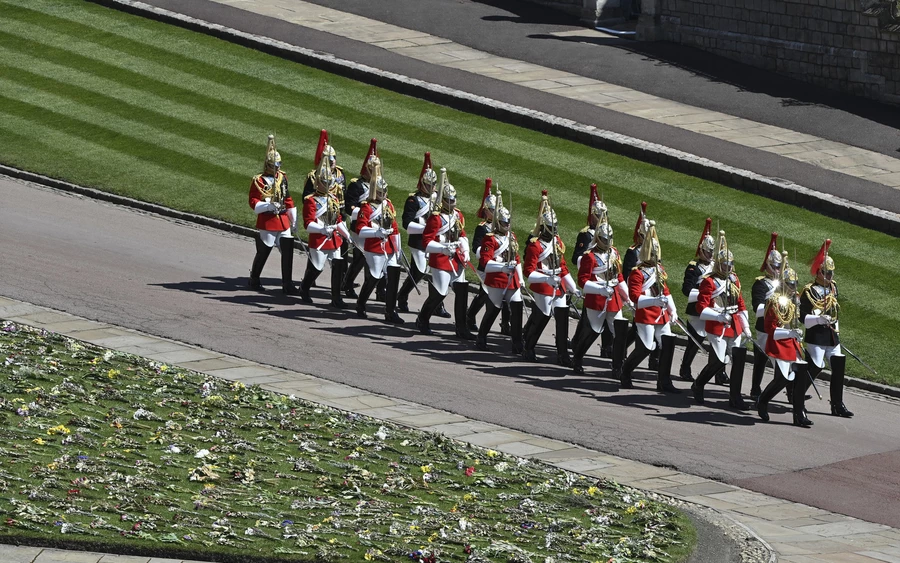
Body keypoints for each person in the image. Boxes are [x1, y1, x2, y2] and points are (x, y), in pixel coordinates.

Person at [691, 230, 752, 409]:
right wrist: (718, 315)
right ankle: (699, 384)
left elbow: (741, 304)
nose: (729, 268)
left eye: (730, 264)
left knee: (738, 361)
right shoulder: (709, 282)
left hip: (734, 325)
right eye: (725, 265)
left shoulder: (734, 279)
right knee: (719, 360)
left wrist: (746, 326)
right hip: (717, 326)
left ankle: (735, 397)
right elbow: (701, 308)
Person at [618, 222, 680, 393]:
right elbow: (636, 298)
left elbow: (666, 292)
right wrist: (654, 302)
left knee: (667, 344)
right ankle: (626, 371)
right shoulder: (637, 272)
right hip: (646, 313)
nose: (655, 256)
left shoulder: (659, 270)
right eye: (652, 253)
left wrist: (673, 310)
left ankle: (664, 381)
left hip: (661, 314)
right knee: (645, 347)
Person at [756, 254, 814, 427]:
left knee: (800, 375)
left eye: (795, 284)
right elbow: (771, 330)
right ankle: (763, 400)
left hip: (792, 343)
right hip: (778, 343)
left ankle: (799, 414)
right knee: (782, 379)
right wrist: (790, 334)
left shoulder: (793, 300)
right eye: (790, 284)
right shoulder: (774, 301)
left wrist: (796, 335)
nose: (794, 288)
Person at [522, 191, 579, 366]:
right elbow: (529, 272)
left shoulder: (558, 243)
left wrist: (572, 286)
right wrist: (546, 279)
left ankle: (563, 354)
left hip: (558, 285)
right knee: (543, 316)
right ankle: (529, 347)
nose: (554, 230)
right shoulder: (535, 246)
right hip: (544, 285)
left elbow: (562, 267)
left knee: (562, 318)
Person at [416, 168, 473, 339]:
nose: (453, 203)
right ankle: (423, 318)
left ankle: (461, 328)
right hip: (440, 259)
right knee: (441, 292)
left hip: (456, 258)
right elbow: (427, 242)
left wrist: (466, 250)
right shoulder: (436, 218)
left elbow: (462, 235)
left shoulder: (458, 216)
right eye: (449, 200)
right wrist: (442, 248)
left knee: (462, 291)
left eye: (454, 199)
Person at [800, 239, 853, 418]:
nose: (830, 276)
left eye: (831, 273)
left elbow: (835, 311)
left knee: (838, 367)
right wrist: (819, 319)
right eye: (826, 272)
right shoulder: (809, 291)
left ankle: (837, 404)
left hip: (831, 335)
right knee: (816, 366)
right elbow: (804, 319)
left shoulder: (833, 288)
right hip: (816, 336)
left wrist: (836, 328)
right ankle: (796, 393)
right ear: (818, 272)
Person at [396, 153, 451, 319]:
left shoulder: (438, 198)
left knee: (435, 272)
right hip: (419, 241)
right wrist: (426, 229)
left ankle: (437, 305)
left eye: (434, 184)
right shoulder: (414, 200)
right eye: (429, 184)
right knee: (419, 270)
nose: (432, 187)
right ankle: (402, 295)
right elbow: (407, 224)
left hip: (435, 241)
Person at [571, 220, 630, 375]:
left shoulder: (615, 253)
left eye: (609, 238)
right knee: (594, 330)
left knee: (619, 333)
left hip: (614, 299)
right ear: (598, 238)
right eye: (605, 239)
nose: (608, 242)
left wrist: (627, 296)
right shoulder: (589, 257)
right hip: (597, 299)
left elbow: (620, 276)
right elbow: (583, 281)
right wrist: (600, 289)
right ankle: (577, 357)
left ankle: (618, 366)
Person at [353, 156, 404, 324]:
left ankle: (390, 311)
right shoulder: (366, 207)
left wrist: (398, 249)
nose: (384, 195)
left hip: (388, 246)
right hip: (374, 246)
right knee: (375, 276)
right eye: (381, 192)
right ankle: (361, 303)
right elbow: (360, 229)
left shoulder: (388, 205)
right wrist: (377, 232)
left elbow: (394, 227)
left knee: (393, 276)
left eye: (385, 192)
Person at [247, 134, 300, 295]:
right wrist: (268, 205)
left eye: (279, 164)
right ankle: (254, 277)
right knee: (265, 250)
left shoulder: (282, 178)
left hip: (282, 219)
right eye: (275, 165)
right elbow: (253, 201)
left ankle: (287, 283)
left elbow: (288, 198)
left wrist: (293, 218)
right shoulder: (259, 180)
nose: (277, 167)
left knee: (288, 250)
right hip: (268, 219)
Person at [298, 143, 350, 307]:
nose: (328, 185)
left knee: (337, 265)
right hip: (320, 237)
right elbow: (308, 224)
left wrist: (346, 234)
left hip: (334, 238)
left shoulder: (333, 199)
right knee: (318, 267)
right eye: (324, 182)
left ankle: (336, 298)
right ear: (318, 182)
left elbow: (338, 219)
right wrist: (322, 228)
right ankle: (304, 287)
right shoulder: (311, 200)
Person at [475, 188, 524, 354]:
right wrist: (502, 267)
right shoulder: (490, 238)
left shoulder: (512, 237)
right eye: (504, 223)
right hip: (497, 279)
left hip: (512, 279)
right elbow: (485, 262)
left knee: (517, 308)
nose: (507, 225)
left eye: (508, 222)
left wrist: (521, 278)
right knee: (494, 309)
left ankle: (517, 343)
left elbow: (516, 259)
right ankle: (481, 336)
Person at [571, 184, 614, 359]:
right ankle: (577, 343)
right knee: (589, 319)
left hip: (607, 281)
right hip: (592, 278)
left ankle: (607, 347)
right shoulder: (586, 234)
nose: (602, 219)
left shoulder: (607, 234)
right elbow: (577, 258)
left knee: (609, 314)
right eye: (599, 216)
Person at [341, 139, 385, 301]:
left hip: (377, 227)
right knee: (360, 258)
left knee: (379, 259)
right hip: (360, 226)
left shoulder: (380, 185)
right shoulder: (357, 185)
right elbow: (349, 206)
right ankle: (347, 283)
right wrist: (364, 213)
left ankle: (379, 290)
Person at [467, 180, 510, 335]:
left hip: (502, 266)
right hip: (487, 266)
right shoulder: (482, 227)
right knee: (484, 295)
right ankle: (470, 316)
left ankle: (506, 324)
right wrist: (490, 257)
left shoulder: (503, 228)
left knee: (506, 296)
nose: (495, 212)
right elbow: (476, 247)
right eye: (492, 209)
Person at [678, 218, 715, 382]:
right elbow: (686, 290)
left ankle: (718, 373)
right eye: (708, 252)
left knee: (717, 341)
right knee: (696, 340)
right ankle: (685, 368)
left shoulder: (715, 266)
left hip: (713, 309)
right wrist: (703, 294)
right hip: (696, 310)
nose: (710, 255)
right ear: (701, 251)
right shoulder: (694, 267)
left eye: (712, 252)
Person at [750, 233, 782, 401]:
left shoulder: (784, 283)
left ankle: (789, 391)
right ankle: (755, 389)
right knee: (761, 359)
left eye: (779, 267)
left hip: (780, 327)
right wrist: (773, 308)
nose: (778, 270)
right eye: (775, 267)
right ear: (768, 266)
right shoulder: (760, 284)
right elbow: (758, 308)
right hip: (764, 327)